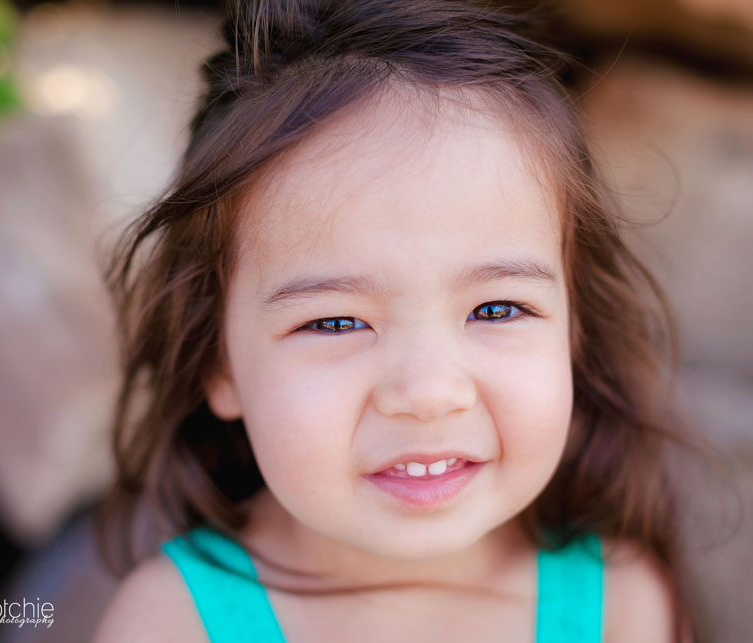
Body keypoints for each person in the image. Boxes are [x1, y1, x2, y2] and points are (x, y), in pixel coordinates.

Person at [93, 1, 705, 640]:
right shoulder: (171, 623)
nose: (428, 394)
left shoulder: (624, 609)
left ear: (574, 328)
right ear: (216, 357)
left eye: (497, 309)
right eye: (335, 323)